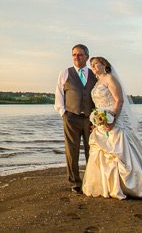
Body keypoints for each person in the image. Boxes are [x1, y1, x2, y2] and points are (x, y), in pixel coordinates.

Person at [82, 56, 142, 200]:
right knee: (101, 152)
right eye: (92, 65)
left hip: (113, 119)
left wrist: (112, 119)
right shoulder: (97, 83)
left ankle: (128, 186)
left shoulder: (110, 79)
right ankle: (106, 186)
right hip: (101, 121)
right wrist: (96, 120)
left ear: (104, 64)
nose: (93, 67)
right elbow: (97, 104)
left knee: (119, 151)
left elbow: (118, 100)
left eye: (96, 64)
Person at [54, 43, 97, 193]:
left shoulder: (94, 74)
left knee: (91, 150)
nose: (76, 57)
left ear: (87, 56)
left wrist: (98, 118)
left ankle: (91, 180)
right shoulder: (65, 73)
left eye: (79, 54)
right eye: (74, 55)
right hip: (71, 117)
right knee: (71, 151)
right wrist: (63, 113)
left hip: (91, 119)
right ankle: (75, 182)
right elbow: (59, 95)